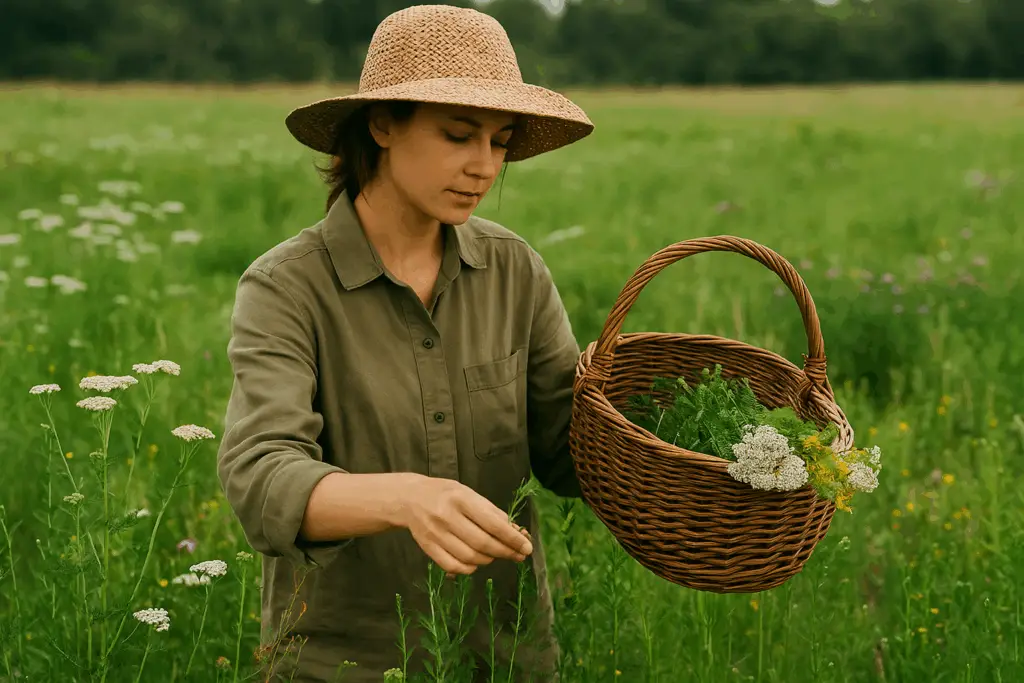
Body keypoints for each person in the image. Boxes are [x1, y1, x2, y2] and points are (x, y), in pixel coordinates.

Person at [215, 4, 595, 682]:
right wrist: (407, 498)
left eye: (500, 141)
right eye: (458, 134)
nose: (484, 166)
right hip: (342, 662)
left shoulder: (514, 270)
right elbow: (261, 475)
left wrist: (673, 427)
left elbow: (570, 452)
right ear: (382, 125)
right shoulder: (286, 287)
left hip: (501, 655)